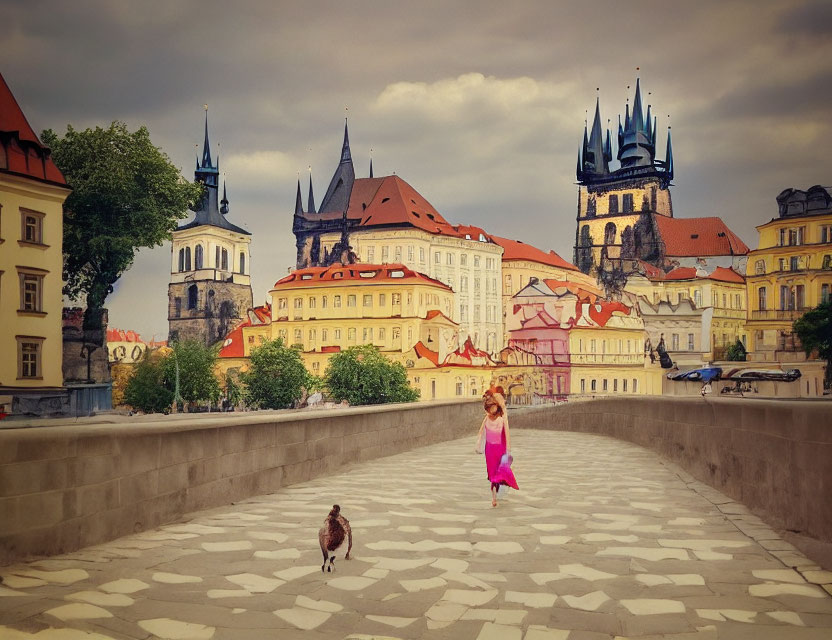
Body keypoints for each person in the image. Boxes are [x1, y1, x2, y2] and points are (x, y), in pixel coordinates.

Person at [475, 386, 519, 507]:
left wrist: (508, 448)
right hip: (490, 449)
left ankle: (497, 491)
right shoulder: (487, 418)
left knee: (499, 472)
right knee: (492, 474)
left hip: (499, 448)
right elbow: (481, 432)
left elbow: (506, 432)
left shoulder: (501, 418)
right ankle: (494, 497)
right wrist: (479, 445)